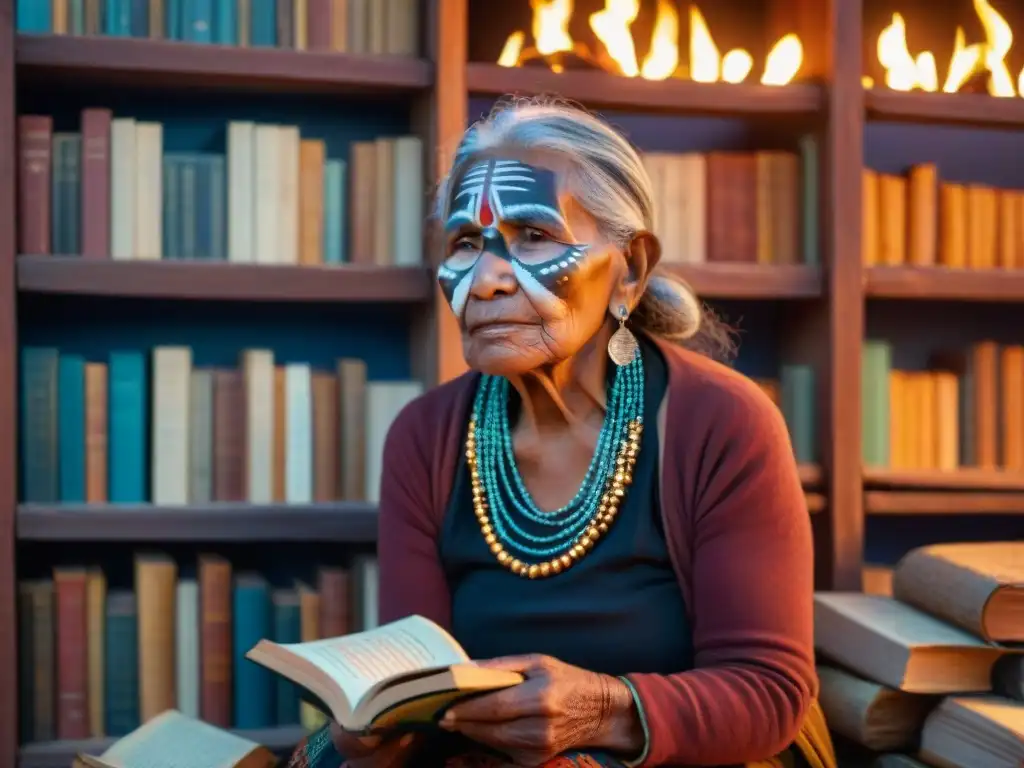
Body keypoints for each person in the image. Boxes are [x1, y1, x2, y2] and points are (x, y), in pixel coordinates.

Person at [287, 96, 833, 768]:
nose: (485, 280)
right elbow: (415, 686)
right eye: (465, 244)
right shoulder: (423, 438)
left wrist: (602, 709)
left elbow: (769, 692)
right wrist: (373, 729)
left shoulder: (721, 423)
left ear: (629, 269)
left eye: (534, 237)